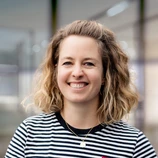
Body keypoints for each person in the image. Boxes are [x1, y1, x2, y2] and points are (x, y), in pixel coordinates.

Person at [5, 20, 157, 158]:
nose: (77, 73)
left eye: (88, 63)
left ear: (105, 74)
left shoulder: (134, 144)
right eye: (68, 63)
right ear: (56, 70)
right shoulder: (28, 133)